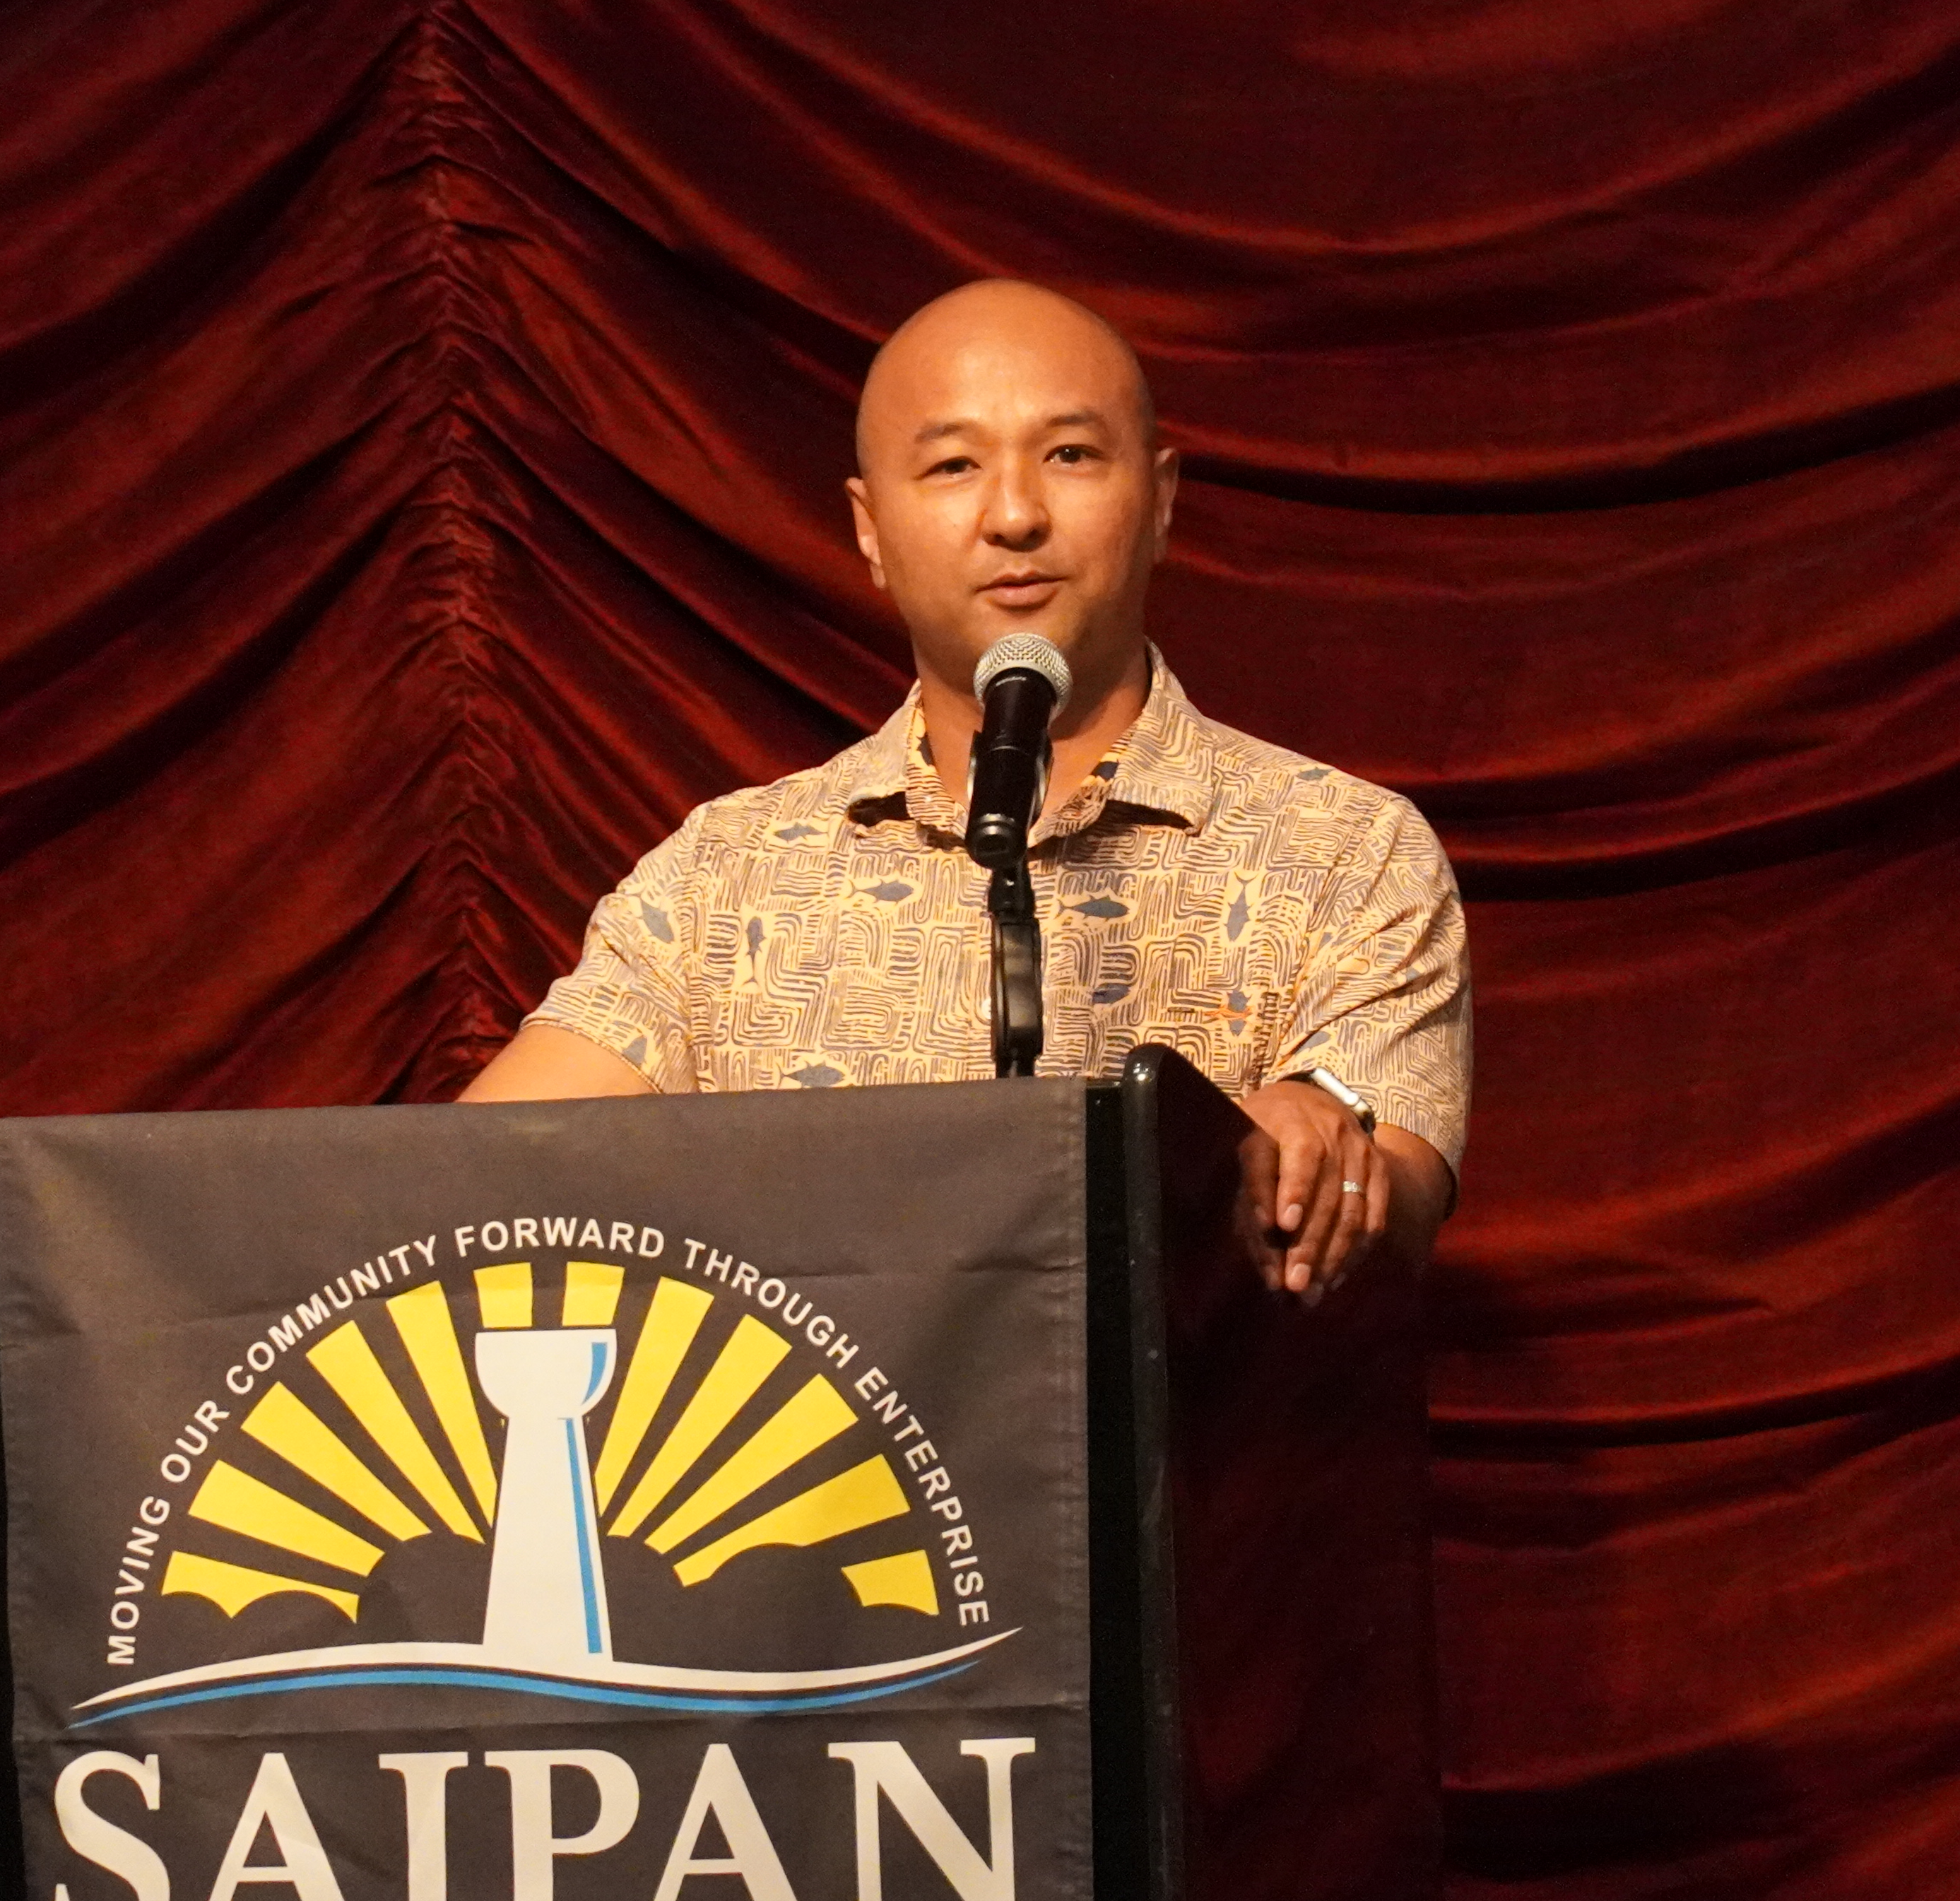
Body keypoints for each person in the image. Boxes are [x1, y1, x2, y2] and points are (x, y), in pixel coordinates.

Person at [464, 280, 1467, 1298]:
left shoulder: (1343, 847)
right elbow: (465, 1189)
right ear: (868, 529)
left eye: (1070, 455)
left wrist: (1313, 1151)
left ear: (1161, 499)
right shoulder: (725, 877)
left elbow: (1395, 1190)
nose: (1016, 515)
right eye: (952, 466)